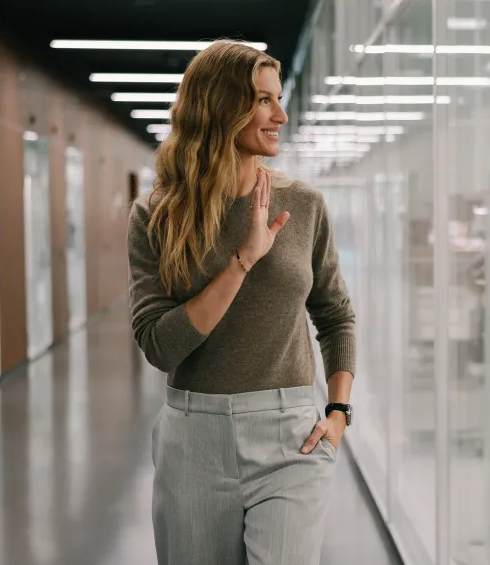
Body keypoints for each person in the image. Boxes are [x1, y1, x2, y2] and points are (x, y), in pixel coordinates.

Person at [126, 40, 356, 565]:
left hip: (291, 438)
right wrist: (243, 261)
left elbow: (335, 314)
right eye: (263, 101)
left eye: (278, 99)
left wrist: (339, 412)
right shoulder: (156, 216)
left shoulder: (303, 205)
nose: (281, 115)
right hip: (194, 438)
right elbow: (160, 346)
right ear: (219, 107)